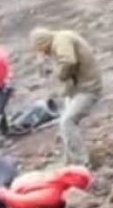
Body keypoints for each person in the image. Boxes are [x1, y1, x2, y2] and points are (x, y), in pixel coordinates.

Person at [29, 27, 103, 166]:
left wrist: (61, 75)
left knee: (67, 122)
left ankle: (82, 162)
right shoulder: (60, 38)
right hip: (77, 88)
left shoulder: (61, 40)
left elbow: (69, 61)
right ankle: (70, 159)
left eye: (41, 49)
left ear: (43, 43)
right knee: (65, 122)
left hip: (87, 88)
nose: (43, 53)